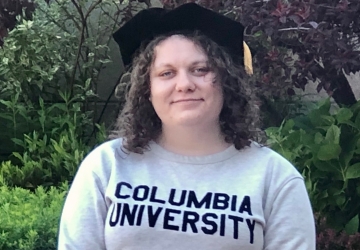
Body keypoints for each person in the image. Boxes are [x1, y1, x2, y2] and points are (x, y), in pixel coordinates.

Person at [57, 3, 316, 250]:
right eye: (166, 73)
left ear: (227, 81)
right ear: (147, 90)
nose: (184, 84)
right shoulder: (106, 167)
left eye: (200, 69)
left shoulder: (275, 178)